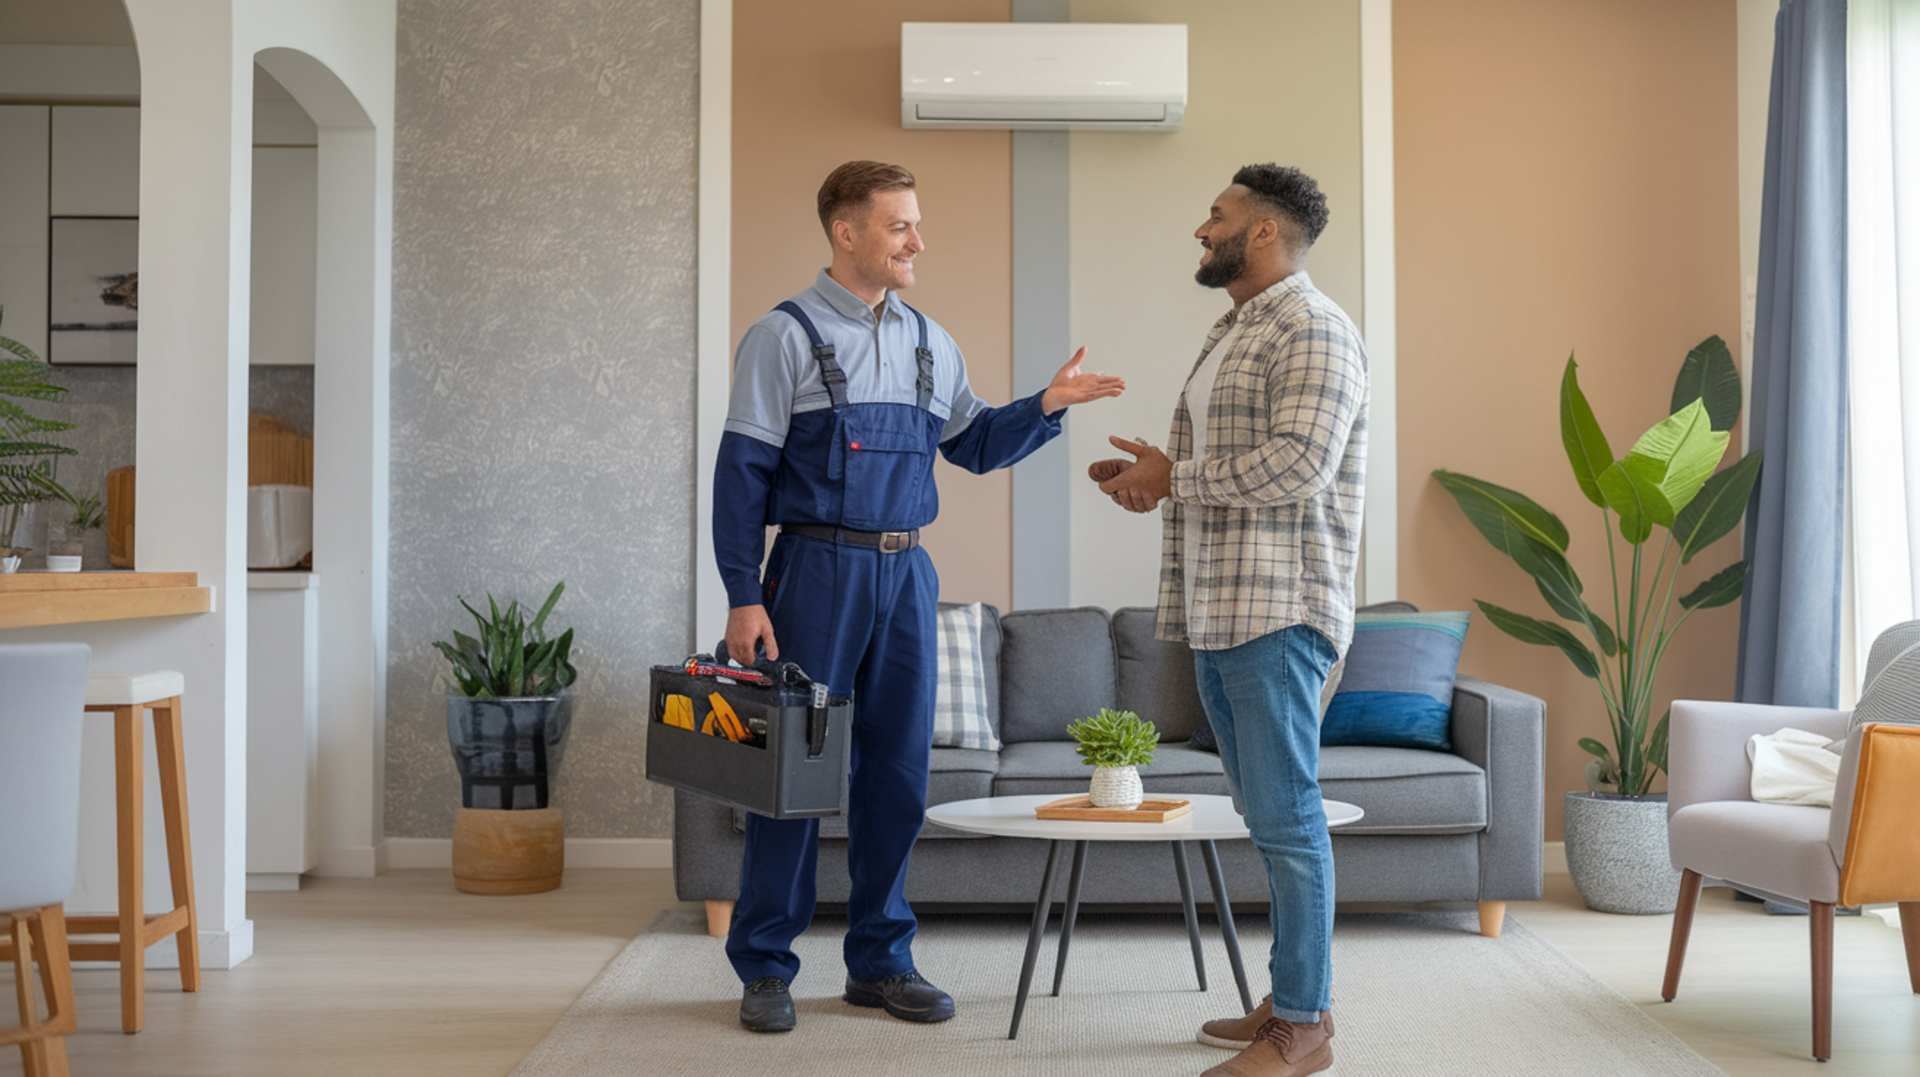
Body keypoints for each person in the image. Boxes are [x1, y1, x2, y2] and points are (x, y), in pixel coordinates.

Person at [712, 160, 1124, 1033]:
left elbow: (973, 445)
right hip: (812, 572)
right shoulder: (781, 337)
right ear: (846, 231)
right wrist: (745, 596)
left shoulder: (932, 341)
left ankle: (880, 961)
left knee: (898, 772)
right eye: (899, 225)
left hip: (907, 577)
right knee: (793, 773)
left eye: (916, 224)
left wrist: (1045, 405)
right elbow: (740, 474)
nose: (917, 242)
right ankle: (766, 966)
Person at [1090, 164, 1367, 1077]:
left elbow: (1299, 465)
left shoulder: (1314, 327)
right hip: (1222, 610)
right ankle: (1294, 998)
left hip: (1280, 611)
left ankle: (1305, 1029)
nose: (1201, 229)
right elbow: (1228, 470)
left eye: (1217, 215)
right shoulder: (1235, 330)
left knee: (1289, 820)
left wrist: (1176, 477)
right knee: (1268, 817)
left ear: (1263, 231)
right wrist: (1155, 477)